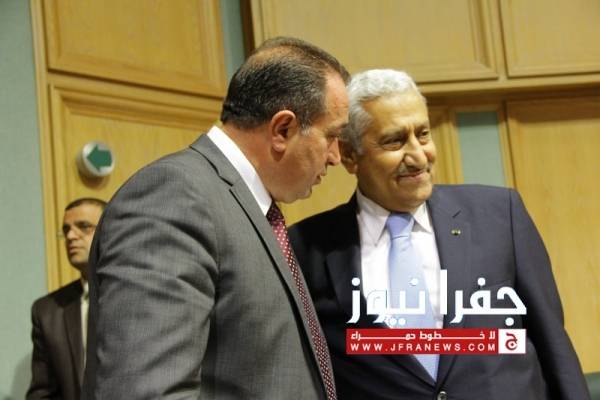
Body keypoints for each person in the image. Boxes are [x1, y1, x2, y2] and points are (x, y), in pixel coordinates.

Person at [289, 69, 590, 400]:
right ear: (349, 154)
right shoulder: (307, 247)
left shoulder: (499, 215)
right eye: (394, 141)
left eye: (423, 135)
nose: (418, 156)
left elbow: (554, 344)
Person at [82, 37, 349, 399]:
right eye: (332, 136)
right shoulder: (174, 196)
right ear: (282, 129)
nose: (335, 156)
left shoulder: (247, 209)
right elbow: (147, 391)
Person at [27, 198, 106, 400]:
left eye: (83, 226)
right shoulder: (47, 311)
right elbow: (42, 393)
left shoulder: (138, 292)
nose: (70, 236)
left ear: (109, 231)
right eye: (66, 229)